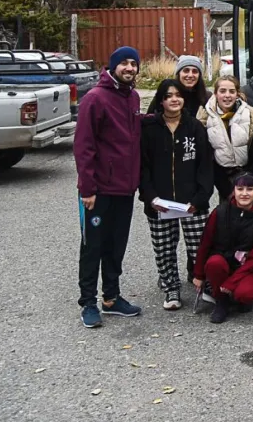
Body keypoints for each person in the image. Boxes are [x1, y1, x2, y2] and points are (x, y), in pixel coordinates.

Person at [75, 46, 145, 327]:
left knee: (116, 245)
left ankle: (112, 298)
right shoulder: (95, 99)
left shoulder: (133, 98)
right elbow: (84, 146)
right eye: (124, 63)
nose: (129, 68)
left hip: (125, 189)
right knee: (93, 246)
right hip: (99, 191)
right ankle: (88, 302)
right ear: (112, 66)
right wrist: (87, 188)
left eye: (133, 64)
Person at [139, 79, 214, 311]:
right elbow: (143, 167)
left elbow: (205, 167)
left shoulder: (195, 128)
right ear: (161, 100)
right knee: (164, 249)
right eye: (169, 95)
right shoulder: (149, 129)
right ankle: (171, 286)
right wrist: (151, 198)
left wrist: (200, 198)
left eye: (178, 95)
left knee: (199, 247)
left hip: (192, 203)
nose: (174, 99)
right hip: (160, 203)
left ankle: (205, 288)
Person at [192, 172, 253, 324]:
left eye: (249, 189)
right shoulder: (220, 212)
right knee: (214, 263)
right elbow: (205, 243)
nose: (244, 193)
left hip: (246, 266)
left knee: (246, 294)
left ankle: (237, 296)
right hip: (221, 260)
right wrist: (198, 274)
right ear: (234, 190)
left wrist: (231, 283)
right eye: (240, 189)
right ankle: (221, 301)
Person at [197, 76, 253, 201]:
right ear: (215, 94)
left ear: (238, 94)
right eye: (222, 91)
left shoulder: (250, 114)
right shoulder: (205, 117)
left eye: (231, 91)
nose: (227, 95)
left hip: (247, 174)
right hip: (222, 177)